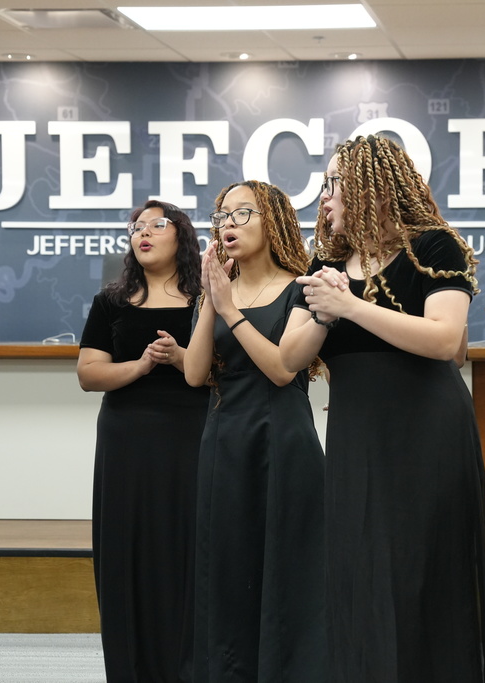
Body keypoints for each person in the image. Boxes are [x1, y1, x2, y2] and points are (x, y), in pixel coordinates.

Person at [279, 135, 485, 683]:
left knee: (422, 572)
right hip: (357, 438)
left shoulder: (433, 247)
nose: (325, 196)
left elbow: (443, 339)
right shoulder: (329, 261)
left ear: (372, 189)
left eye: (336, 183)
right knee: (361, 571)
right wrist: (324, 311)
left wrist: (350, 306)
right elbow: (290, 359)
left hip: (425, 433)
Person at [183, 180, 326, 681]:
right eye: (222, 215)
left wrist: (228, 309)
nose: (227, 224)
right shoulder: (219, 289)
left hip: (283, 440)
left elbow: (284, 370)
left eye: (242, 214)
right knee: (227, 567)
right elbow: (195, 373)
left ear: (275, 220)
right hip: (224, 440)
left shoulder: (301, 286)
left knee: (286, 567)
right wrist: (209, 299)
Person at [77, 200, 209, 683]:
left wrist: (179, 359)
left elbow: (225, 372)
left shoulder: (208, 297)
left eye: (157, 224)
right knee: (127, 551)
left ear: (183, 236)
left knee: (187, 550)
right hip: (126, 439)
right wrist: (141, 365)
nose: (143, 232)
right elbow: (89, 374)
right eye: (135, 226)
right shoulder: (110, 300)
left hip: (192, 435)